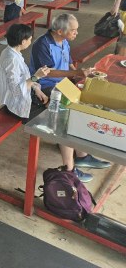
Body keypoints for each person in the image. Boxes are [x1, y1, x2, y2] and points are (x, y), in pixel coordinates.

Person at [28, 14, 111, 182]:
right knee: (66, 119)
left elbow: (69, 62)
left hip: (63, 84)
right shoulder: (42, 45)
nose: (76, 33)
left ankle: (82, 155)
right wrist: (76, 72)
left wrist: (81, 74)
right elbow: (48, 73)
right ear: (60, 31)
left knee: (83, 106)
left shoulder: (64, 41)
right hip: (45, 87)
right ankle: (69, 169)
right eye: (73, 30)